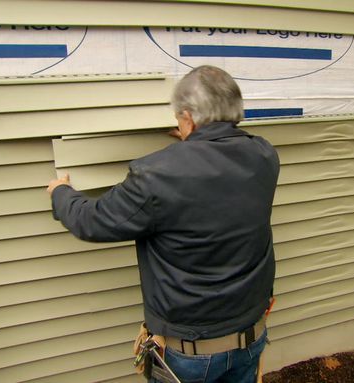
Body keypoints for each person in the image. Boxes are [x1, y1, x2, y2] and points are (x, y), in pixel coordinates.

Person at [47, 65, 280, 382]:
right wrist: (195, 137)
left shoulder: (157, 175)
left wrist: (60, 193)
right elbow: (216, 173)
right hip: (250, 339)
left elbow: (92, 221)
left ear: (188, 116)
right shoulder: (264, 155)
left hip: (191, 357)